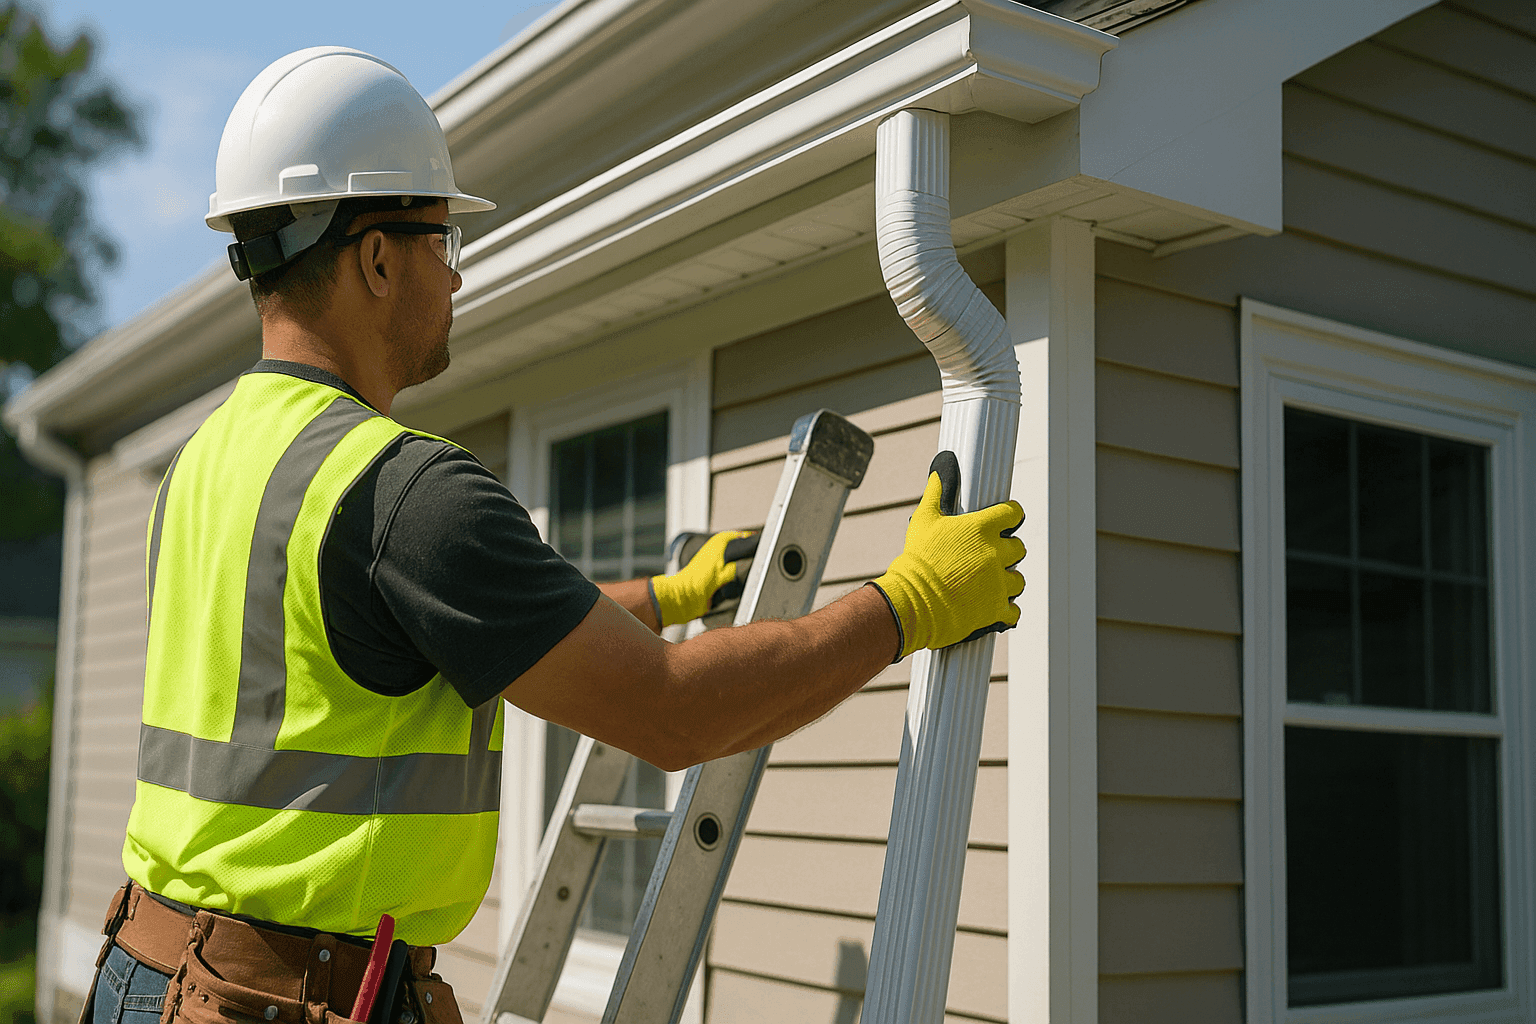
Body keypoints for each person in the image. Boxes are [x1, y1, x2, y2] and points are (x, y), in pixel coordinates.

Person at [82, 46, 1024, 1024]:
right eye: (443, 247)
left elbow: (408, 642)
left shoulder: (203, 468)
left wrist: (668, 598)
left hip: (144, 974)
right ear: (373, 257)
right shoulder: (404, 489)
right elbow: (671, 714)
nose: (453, 283)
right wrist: (908, 604)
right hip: (283, 1001)